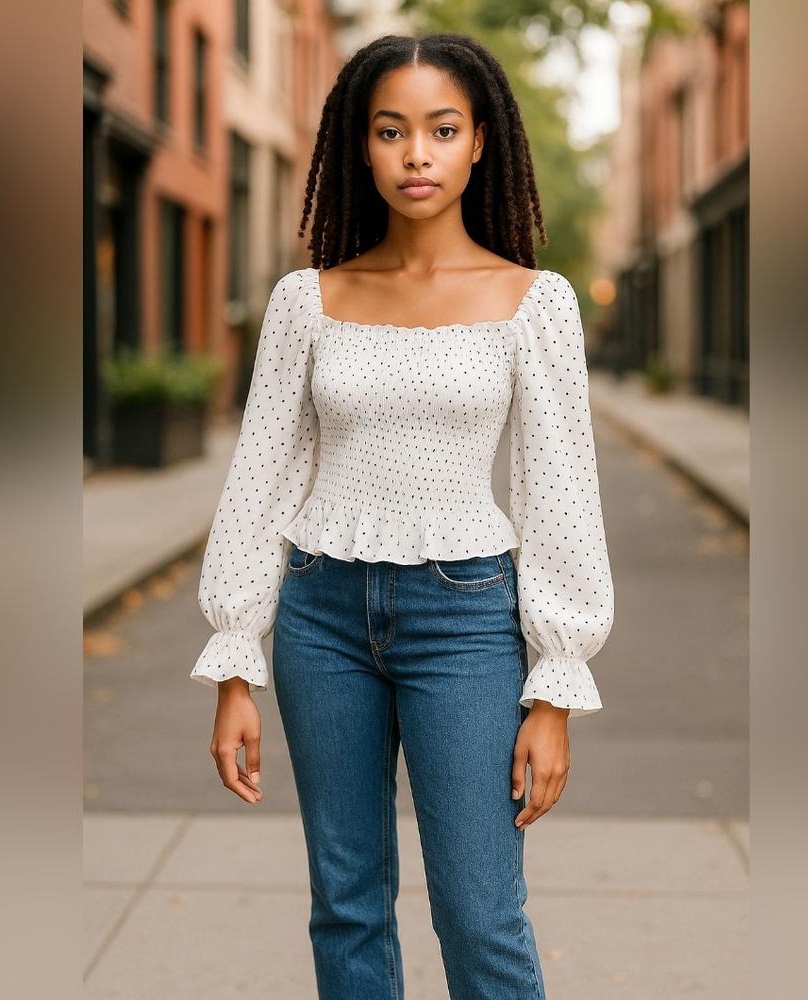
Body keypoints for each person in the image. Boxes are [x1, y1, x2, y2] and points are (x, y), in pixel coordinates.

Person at [190, 33, 613, 1000]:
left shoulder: (533, 303)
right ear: (360, 146)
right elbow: (262, 478)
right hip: (318, 616)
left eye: (441, 129)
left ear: (479, 147)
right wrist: (235, 661)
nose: (416, 153)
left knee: (479, 913)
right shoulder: (309, 301)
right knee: (346, 903)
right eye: (391, 131)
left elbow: (561, 493)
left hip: (468, 620)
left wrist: (554, 690)